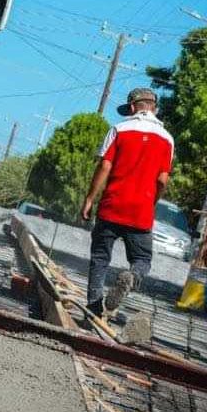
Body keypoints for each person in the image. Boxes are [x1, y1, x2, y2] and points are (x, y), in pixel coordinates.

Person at [81, 87, 174, 319]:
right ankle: (131, 277)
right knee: (142, 259)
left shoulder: (119, 129)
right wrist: (150, 203)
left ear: (132, 107)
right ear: (155, 109)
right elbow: (162, 179)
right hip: (141, 213)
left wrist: (90, 199)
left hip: (112, 206)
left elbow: (105, 166)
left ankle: (93, 308)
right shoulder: (167, 139)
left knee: (100, 258)